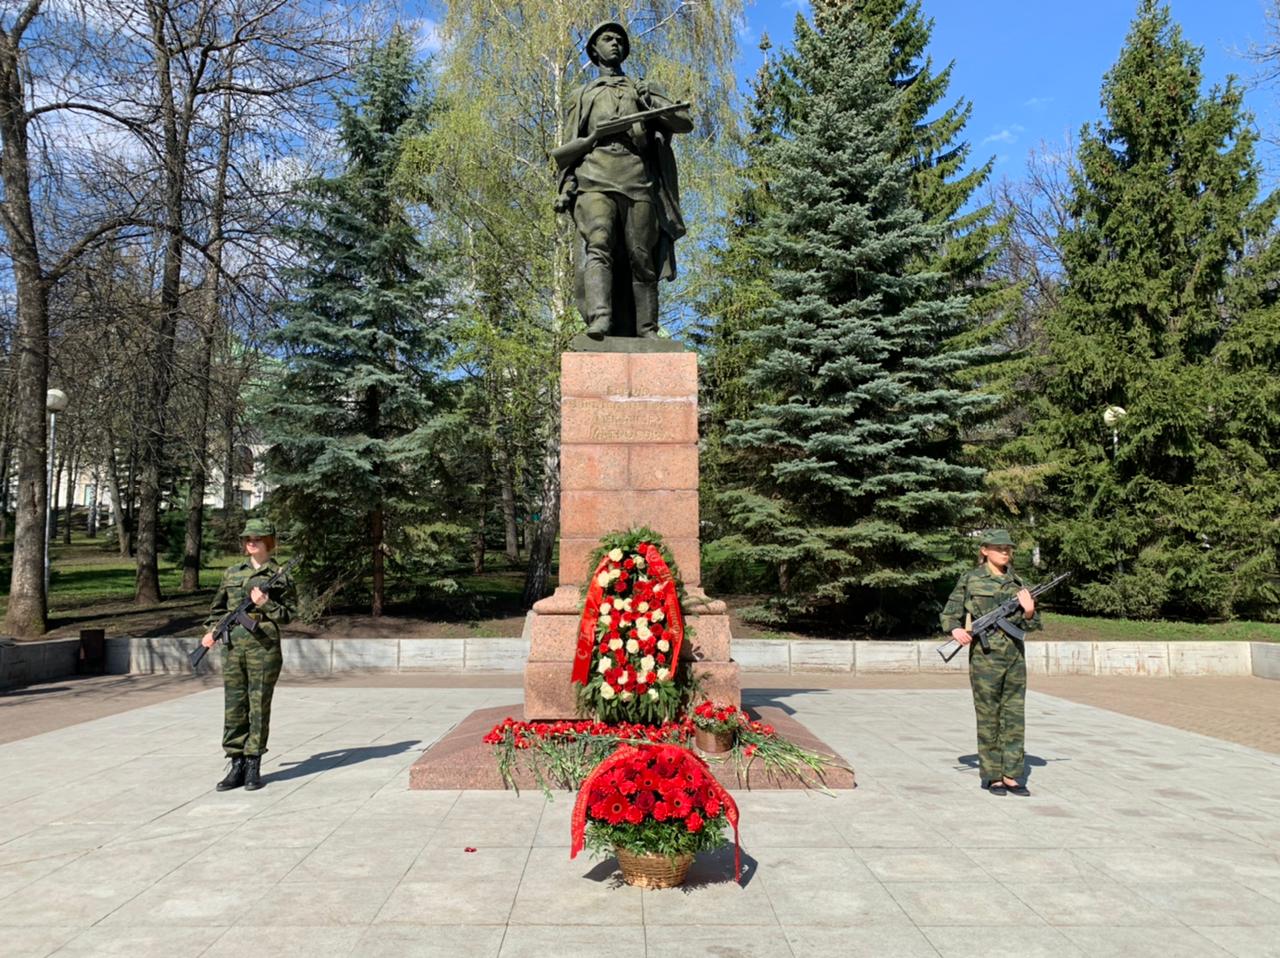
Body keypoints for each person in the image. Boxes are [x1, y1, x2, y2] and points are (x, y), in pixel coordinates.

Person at [554, 20, 692, 339]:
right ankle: (600, 318)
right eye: (607, 39)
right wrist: (566, 186)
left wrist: (653, 104)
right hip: (594, 178)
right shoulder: (583, 93)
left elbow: (684, 123)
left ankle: (647, 329)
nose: (615, 43)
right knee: (598, 243)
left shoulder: (640, 88)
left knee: (641, 255)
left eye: (619, 39)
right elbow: (569, 145)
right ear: (594, 50)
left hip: (637, 178)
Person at [940, 529, 1041, 796]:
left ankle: (1012, 774)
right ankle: (993, 775)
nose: (1005, 552)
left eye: (1008, 548)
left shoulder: (1017, 582)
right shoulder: (971, 579)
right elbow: (951, 611)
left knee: (1014, 716)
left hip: (1015, 659)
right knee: (988, 716)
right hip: (985, 659)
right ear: (985, 550)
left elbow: (1034, 623)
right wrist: (955, 630)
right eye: (999, 548)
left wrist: (1029, 611)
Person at [201, 518, 294, 792]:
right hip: (233, 647)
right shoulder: (232, 573)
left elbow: (290, 615)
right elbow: (217, 610)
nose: (251, 541)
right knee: (234, 705)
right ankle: (236, 763)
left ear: (268, 541)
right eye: (247, 537)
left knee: (258, 706)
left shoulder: (280, 574)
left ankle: (253, 763)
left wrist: (267, 605)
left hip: (263, 647)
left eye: (257, 537)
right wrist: (211, 631)